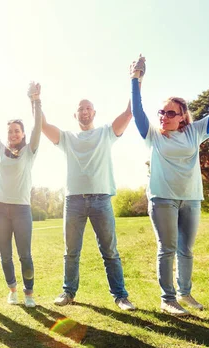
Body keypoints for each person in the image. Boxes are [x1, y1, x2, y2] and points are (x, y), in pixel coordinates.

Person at [131, 55, 209, 316]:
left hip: (190, 198)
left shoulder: (194, 131)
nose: (164, 116)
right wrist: (136, 80)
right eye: (162, 112)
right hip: (162, 199)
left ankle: (184, 293)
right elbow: (137, 111)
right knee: (167, 249)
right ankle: (167, 299)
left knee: (185, 250)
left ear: (182, 117)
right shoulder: (153, 134)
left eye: (170, 113)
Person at [42, 81, 136, 311]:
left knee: (110, 251)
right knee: (71, 252)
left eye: (88, 108)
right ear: (75, 114)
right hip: (73, 200)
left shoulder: (105, 133)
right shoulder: (67, 138)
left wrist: (136, 80)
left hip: (101, 199)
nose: (84, 112)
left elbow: (129, 112)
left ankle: (121, 296)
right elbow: (42, 125)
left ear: (94, 112)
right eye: (80, 109)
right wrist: (35, 99)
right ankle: (68, 292)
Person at [0, 82, 42, 308]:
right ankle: (12, 290)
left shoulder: (29, 152)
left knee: (25, 255)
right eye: (9, 131)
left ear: (22, 134)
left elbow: (37, 126)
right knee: (5, 255)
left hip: (21, 209)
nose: (12, 134)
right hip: (0, 209)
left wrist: (36, 100)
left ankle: (29, 293)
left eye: (16, 131)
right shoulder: (0, 150)